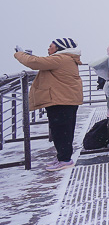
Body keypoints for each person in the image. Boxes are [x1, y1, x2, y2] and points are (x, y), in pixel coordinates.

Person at [13, 38, 84, 171]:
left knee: (61, 131)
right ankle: (62, 157)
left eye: (51, 46)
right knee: (63, 130)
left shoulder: (60, 58)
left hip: (61, 100)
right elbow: (41, 62)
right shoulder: (64, 58)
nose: (48, 48)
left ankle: (65, 160)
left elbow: (35, 63)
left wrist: (20, 54)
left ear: (59, 48)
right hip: (63, 99)